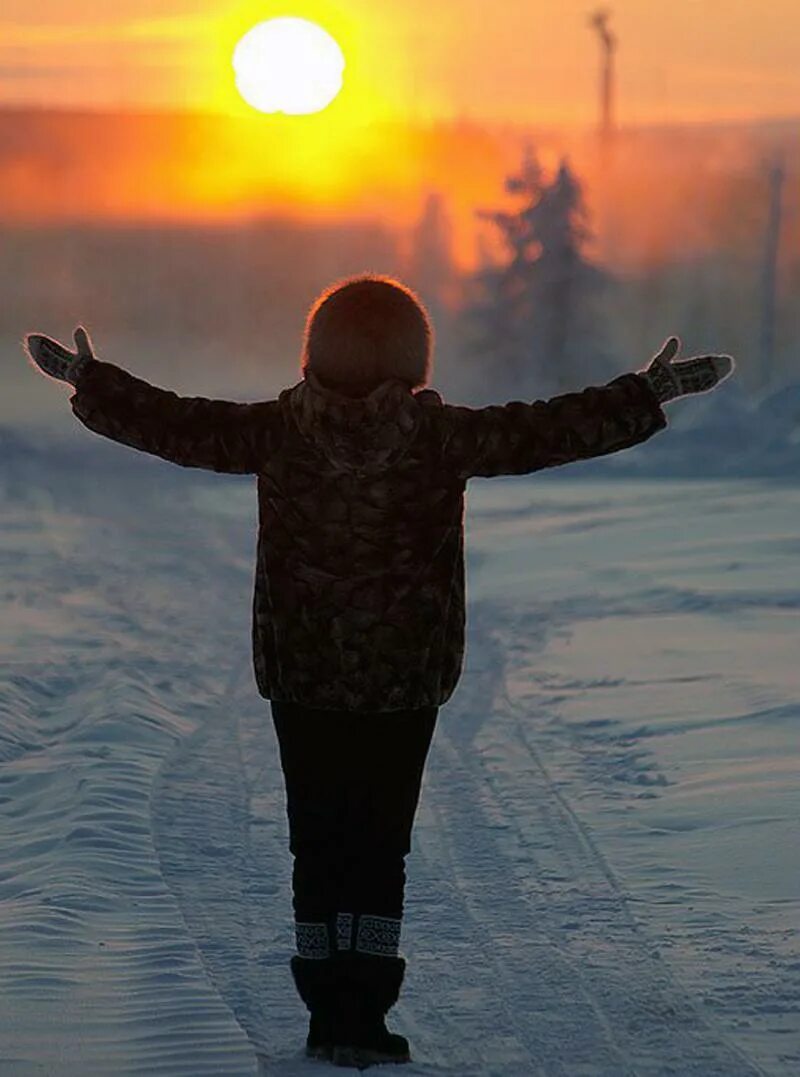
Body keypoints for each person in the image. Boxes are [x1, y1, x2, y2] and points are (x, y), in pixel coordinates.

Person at [25, 274, 734, 1069]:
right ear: (412, 356)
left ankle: (328, 1010)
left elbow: (177, 425)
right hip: (403, 682)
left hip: (303, 677)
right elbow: (549, 430)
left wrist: (93, 383)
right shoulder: (441, 439)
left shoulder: (278, 432)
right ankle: (363, 1013)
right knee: (379, 847)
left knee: (317, 843)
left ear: (318, 350)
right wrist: (648, 392)